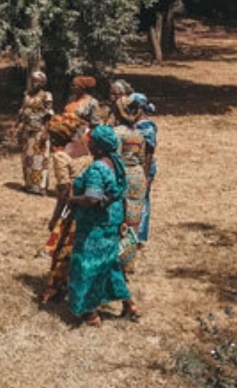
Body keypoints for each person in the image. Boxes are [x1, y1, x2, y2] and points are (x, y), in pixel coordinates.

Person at [67, 126, 137, 326]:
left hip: (95, 224)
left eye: (91, 141)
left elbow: (92, 199)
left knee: (87, 265)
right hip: (113, 219)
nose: (88, 143)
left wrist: (72, 199)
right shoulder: (116, 164)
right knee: (110, 263)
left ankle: (90, 313)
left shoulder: (97, 168)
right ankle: (129, 303)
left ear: (99, 146)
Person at [38, 114, 92, 303]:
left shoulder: (61, 156)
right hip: (88, 202)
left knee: (62, 247)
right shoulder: (85, 147)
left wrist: (55, 218)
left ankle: (54, 288)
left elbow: (63, 192)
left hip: (72, 206)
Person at [112, 96, 148, 264]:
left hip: (123, 176)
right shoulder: (138, 134)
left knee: (118, 219)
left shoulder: (117, 132)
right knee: (133, 220)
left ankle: (117, 261)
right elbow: (142, 158)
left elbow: (115, 158)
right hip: (138, 176)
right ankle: (128, 260)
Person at [17, 71, 54, 195]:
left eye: (37, 80)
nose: (34, 83)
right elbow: (22, 111)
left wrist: (45, 131)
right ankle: (29, 185)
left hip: (39, 130)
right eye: (32, 80)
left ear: (43, 82)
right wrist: (16, 125)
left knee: (40, 158)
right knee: (27, 158)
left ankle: (41, 187)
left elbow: (48, 115)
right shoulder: (27, 94)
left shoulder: (46, 95)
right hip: (27, 131)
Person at [130, 93, 158, 244]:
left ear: (140, 107)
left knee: (142, 199)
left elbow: (149, 152)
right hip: (137, 166)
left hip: (144, 167)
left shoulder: (146, 127)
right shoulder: (135, 123)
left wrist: (145, 175)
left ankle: (139, 235)